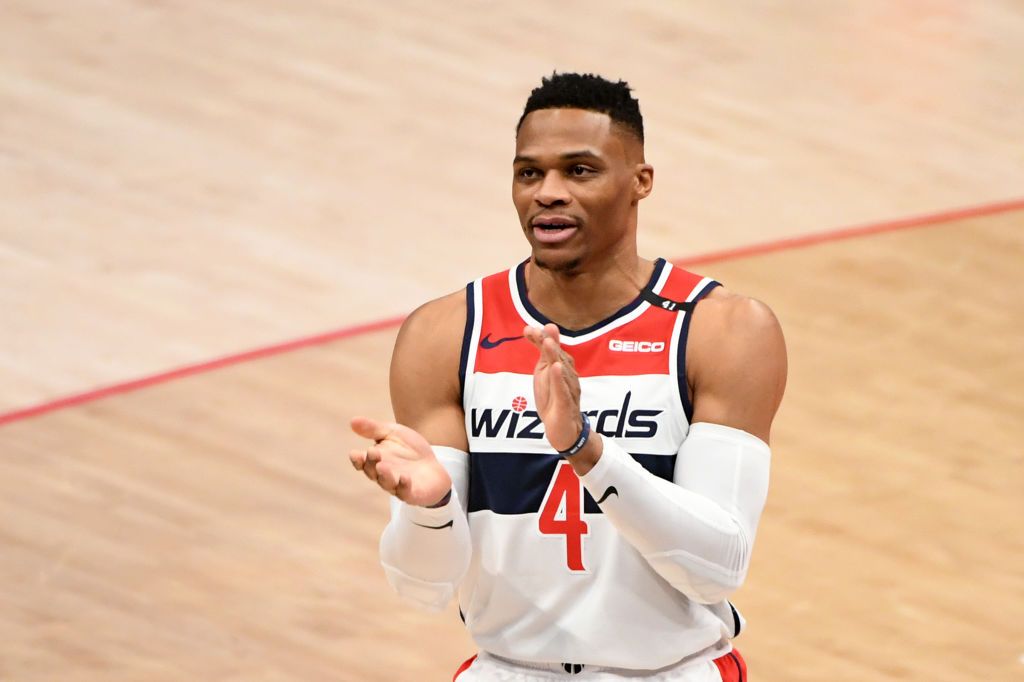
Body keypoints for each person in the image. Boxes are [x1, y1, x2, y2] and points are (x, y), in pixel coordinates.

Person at [349, 72, 787, 681]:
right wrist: (430, 510)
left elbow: (716, 568)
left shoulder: (723, 331)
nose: (547, 193)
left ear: (641, 182)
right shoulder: (444, 333)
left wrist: (588, 452)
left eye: (579, 171)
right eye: (530, 173)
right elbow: (423, 586)